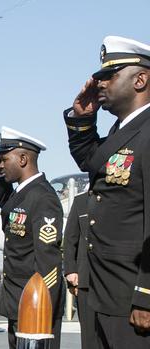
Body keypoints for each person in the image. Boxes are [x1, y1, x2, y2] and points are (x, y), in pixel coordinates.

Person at [63, 35, 150, 348]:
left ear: (140, 79)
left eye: (108, 76)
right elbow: (91, 161)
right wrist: (83, 119)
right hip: (105, 293)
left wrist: (146, 295)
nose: (98, 84)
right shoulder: (123, 131)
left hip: (133, 297)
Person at [0, 126, 64, 349]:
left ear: (23, 158)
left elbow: (48, 261)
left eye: (4, 159)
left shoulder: (43, 197)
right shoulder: (22, 193)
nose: (1, 164)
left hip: (35, 304)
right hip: (18, 299)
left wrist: (41, 304)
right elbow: (9, 209)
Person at [63, 192, 96, 348]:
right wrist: (71, 270)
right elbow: (70, 239)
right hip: (86, 280)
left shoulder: (120, 196)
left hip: (115, 279)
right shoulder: (81, 201)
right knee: (89, 335)